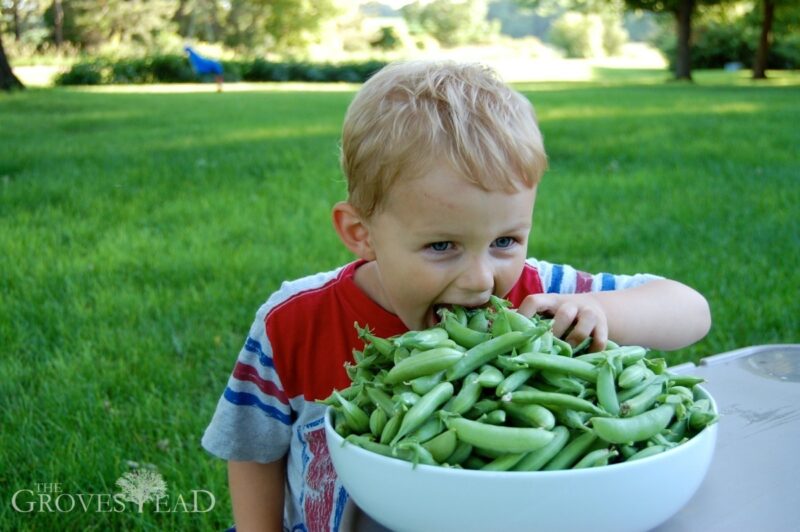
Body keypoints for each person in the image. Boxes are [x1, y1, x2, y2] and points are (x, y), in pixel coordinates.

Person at [201, 60, 711, 531]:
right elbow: (252, 450)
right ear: (361, 233)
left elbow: (690, 310)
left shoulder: (542, 298)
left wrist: (603, 309)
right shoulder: (295, 321)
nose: (481, 279)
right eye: (442, 246)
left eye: (505, 242)